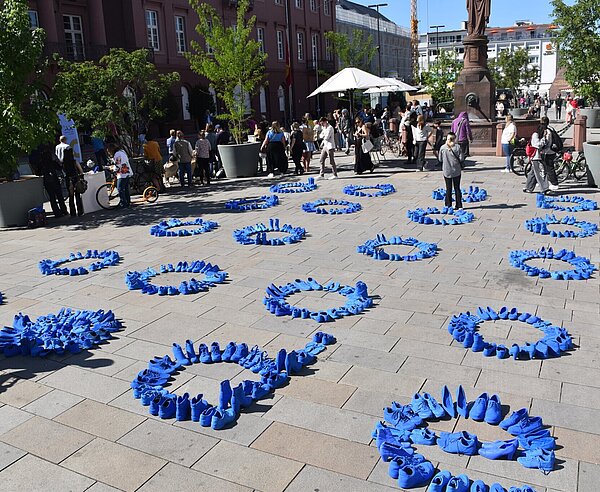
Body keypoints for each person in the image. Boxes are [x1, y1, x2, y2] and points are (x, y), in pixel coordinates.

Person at [38, 144, 68, 218]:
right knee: (59, 196)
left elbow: (38, 172)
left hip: (47, 180)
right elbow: (59, 167)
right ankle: (64, 210)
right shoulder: (52, 162)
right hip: (54, 179)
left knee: (52, 198)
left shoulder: (42, 164)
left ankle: (57, 213)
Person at [438, 132, 464, 210]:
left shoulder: (442, 148)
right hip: (456, 170)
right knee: (457, 188)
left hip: (446, 170)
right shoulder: (458, 147)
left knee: (448, 188)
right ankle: (459, 205)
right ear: (454, 139)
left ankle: (448, 205)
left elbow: (440, 159)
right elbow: (461, 158)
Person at [523, 123, 551, 194]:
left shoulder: (541, 136)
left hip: (539, 157)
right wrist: (543, 138)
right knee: (541, 172)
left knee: (533, 173)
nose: (546, 132)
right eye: (545, 130)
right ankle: (545, 188)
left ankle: (528, 187)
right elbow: (537, 145)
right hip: (536, 157)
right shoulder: (535, 135)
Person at [106, 143, 133, 208]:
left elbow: (118, 165)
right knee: (125, 188)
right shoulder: (121, 151)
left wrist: (111, 168)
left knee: (120, 188)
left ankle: (123, 203)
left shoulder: (117, 154)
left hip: (122, 174)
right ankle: (127, 202)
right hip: (127, 172)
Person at [62, 147, 85, 216]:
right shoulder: (74, 161)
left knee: (71, 196)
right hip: (75, 178)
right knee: (77, 195)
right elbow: (81, 171)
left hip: (68, 180)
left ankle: (72, 212)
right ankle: (80, 211)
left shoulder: (63, 163)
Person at [540, 116, 560, 190]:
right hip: (552, 150)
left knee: (549, 168)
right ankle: (545, 182)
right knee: (546, 168)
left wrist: (542, 147)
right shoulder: (551, 128)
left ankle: (554, 183)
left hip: (548, 152)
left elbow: (547, 142)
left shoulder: (547, 131)